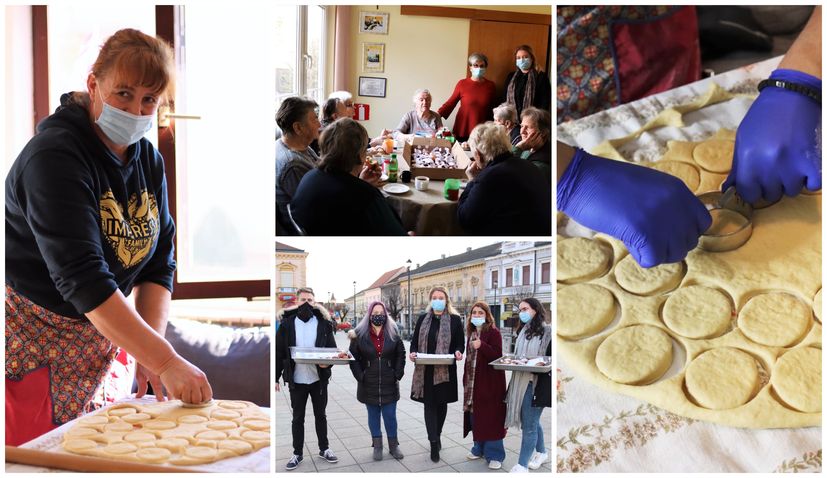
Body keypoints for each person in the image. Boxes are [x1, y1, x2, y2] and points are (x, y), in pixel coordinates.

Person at [5, 28, 212, 447]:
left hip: (106, 343)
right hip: (34, 350)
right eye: (123, 94)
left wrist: (148, 352)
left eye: (149, 100)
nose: (136, 110)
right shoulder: (54, 159)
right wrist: (165, 359)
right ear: (93, 84)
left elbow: (159, 262)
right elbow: (84, 278)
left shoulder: (147, 159)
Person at [289, 118, 407, 235]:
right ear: (360, 156)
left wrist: (360, 182)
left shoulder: (309, 176)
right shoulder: (368, 197)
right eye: (365, 150)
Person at [275, 288, 339, 471]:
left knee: (321, 415)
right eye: (303, 299)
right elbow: (279, 352)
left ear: (315, 302)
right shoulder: (287, 324)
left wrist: (328, 364)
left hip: (318, 379)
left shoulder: (323, 324)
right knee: (297, 418)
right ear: (297, 301)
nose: (306, 303)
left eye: (310, 300)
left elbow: (332, 351)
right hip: (297, 379)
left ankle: (324, 449)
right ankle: (297, 453)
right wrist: (275, 377)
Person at [457, 122, 552, 235]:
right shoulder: (530, 165)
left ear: (478, 154)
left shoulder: (489, 177)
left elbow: (464, 219)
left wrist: (472, 180)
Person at [409, 287, 465, 462]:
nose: (437, 300)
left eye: (441, 297)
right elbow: (414, 342)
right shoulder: (422, 319)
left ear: (446, 300)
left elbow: (459, 343)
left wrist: (458, 352)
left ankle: (437, 434)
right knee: (429, 406)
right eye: (434, 297)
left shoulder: (455, 320)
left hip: (445, 371)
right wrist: (412, 353)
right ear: (430, 300)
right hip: (426, 370)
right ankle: (433, 443)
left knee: (441, 406)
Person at [347, 301, 406, 461]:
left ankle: (394, 446)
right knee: (373, 415)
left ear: (385, 315)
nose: (378, 316)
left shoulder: (393, 332)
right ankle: (377, 445)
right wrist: (361, 376)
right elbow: (353, 358)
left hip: (389, 382)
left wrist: (397, 373)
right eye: (375, 313)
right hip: (368, 383)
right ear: (369, 315)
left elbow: (401, 353)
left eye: (381, 313)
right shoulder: (359, 335)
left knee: (390, 415)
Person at [505, 298, 551, 473]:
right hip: (520, 382)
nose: (521, 312)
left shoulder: (548, 332)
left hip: (536, 384)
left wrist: (537, 363)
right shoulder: (523, 331)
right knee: (531, 422)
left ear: (535, 310)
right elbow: (520, 355)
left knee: (529, 425)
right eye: (520, 309)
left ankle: (522, 466)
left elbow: (551, 360)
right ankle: (542, 452)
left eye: (525, 309)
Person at [462, 302, 507, 470]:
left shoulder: (494, 333)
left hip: (490, 384)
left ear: (487, 315)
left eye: (480, 312)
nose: (477, 315)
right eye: (474, 312)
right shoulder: (471, 332)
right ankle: (478, 448)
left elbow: (497, 356)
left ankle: (495, 454)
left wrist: (482, 346)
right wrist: (465, 379)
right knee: (475, 417)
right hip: (473, 383)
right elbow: (469, 359)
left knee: (491, 419)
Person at [276, 96, 320, 235]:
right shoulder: (293, 164)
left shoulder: (301, 146)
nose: (319, 124)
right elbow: (314, 208)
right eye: (314, 119)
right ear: (298, 127)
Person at [436, 53, 497, 142]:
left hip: (482, 129)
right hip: (463, 127)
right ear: (470, 68)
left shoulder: (491, 86)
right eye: (476, 65)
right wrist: (436, 115)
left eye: (482, 66)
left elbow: (494, 108)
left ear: (485, 68)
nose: (479, 68)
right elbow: (451, 102)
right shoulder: (462, 83)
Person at [504, 45, 551, 118]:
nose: (522, 60)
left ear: (532, 58)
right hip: (513, 121)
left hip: (534, 121)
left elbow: (544, 103)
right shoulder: (511, 77)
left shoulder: (541, 77)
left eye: (525, 57)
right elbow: (504, 99)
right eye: (518, 58)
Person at [513, 107, 551, 181]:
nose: (522, 131)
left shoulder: (542, 167)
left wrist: (518, 148)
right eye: (522, 126)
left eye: (528, 127)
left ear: (543, 133)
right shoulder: (528, 147)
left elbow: (506, 171)